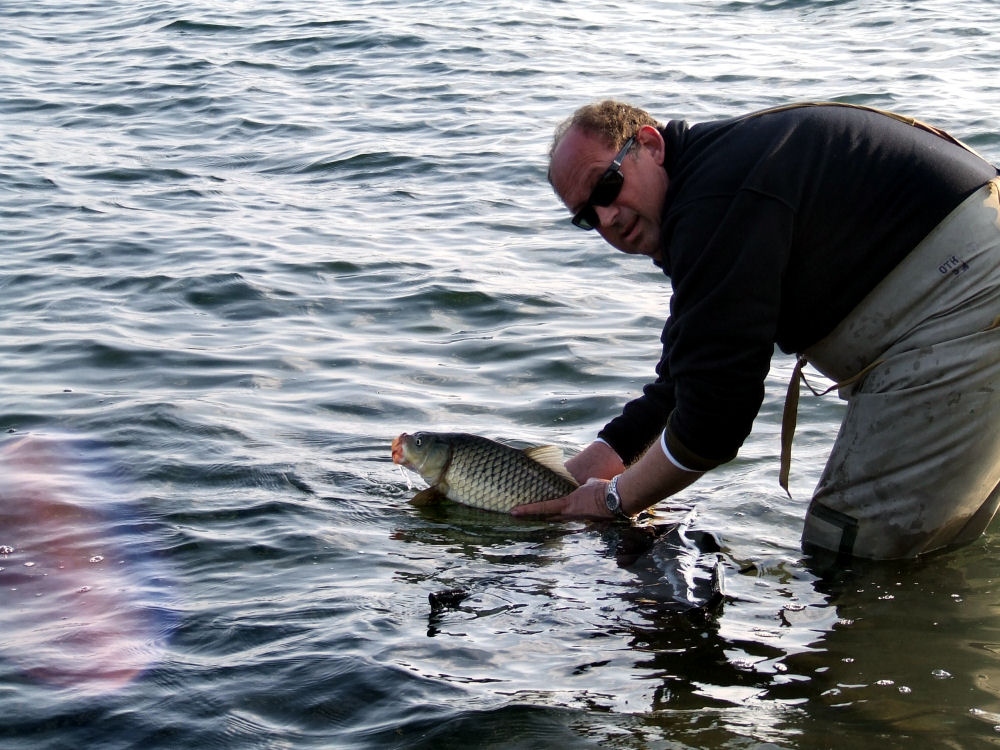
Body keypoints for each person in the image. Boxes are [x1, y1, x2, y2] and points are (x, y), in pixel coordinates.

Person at [511, 100, 1000, 561]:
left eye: (606, 188)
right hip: (966, 288)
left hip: (966, 300)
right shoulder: (712, 186)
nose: (607, 218)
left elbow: (714, 421)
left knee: (849, 547)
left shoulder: (716, 199)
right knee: (949, 535)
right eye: (585, 218)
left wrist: (614, 500)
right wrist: (592, 464)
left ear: (651, 145)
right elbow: (687, 376)